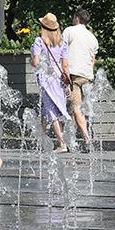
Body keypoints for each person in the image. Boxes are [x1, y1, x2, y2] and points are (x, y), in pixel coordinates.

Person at [32, 13, 70, 153]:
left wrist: (33, 61)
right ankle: (42, 139)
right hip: (59, 79)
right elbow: (65, 65)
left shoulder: (39, 41)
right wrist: (68, 82)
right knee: (50, 107)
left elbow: (36, 63)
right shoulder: (63, 42)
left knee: (51, 109)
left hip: (46, 79)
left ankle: (62, 143)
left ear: (43, 27)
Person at [62, 9, 99, 149]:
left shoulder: (69, 31)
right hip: (88, 76)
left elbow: (62, 52)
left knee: (76, 107)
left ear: (77, 18)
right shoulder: (92, 37)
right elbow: (93, 60)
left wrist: (64, 72)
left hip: (74, 75)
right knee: (81, 108)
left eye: (73, 16)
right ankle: (71, 141)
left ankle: (87, 139)